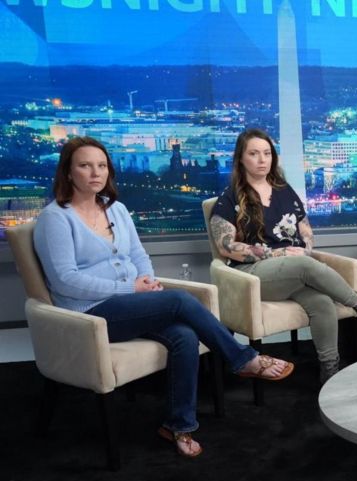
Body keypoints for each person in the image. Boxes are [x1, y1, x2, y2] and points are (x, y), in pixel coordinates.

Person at [33, 136, 295, 459]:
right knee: (179, 301)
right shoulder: (55, 218)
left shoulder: (116, 209)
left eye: (101, 166)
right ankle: (242, 359)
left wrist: (149, 282)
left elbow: (138, 255)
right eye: (85, 166)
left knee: (184, 336)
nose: (95, 173)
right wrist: (131, 289)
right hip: (88, 313)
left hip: (130, 304)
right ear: (68, 172)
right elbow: (65, 280)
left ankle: (178, 425)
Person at [208, 128, 357, 384]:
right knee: (305, 265)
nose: (262, 160)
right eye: (254, 154)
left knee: (322, 303)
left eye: (267, 153)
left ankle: (329, 372)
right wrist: (277, 253)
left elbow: (305, 230)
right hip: (252, 274)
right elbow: (226, 247)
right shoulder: (230, 197)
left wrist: (305, 248)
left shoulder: (284, 191)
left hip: (292, 270)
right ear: (241, 158)